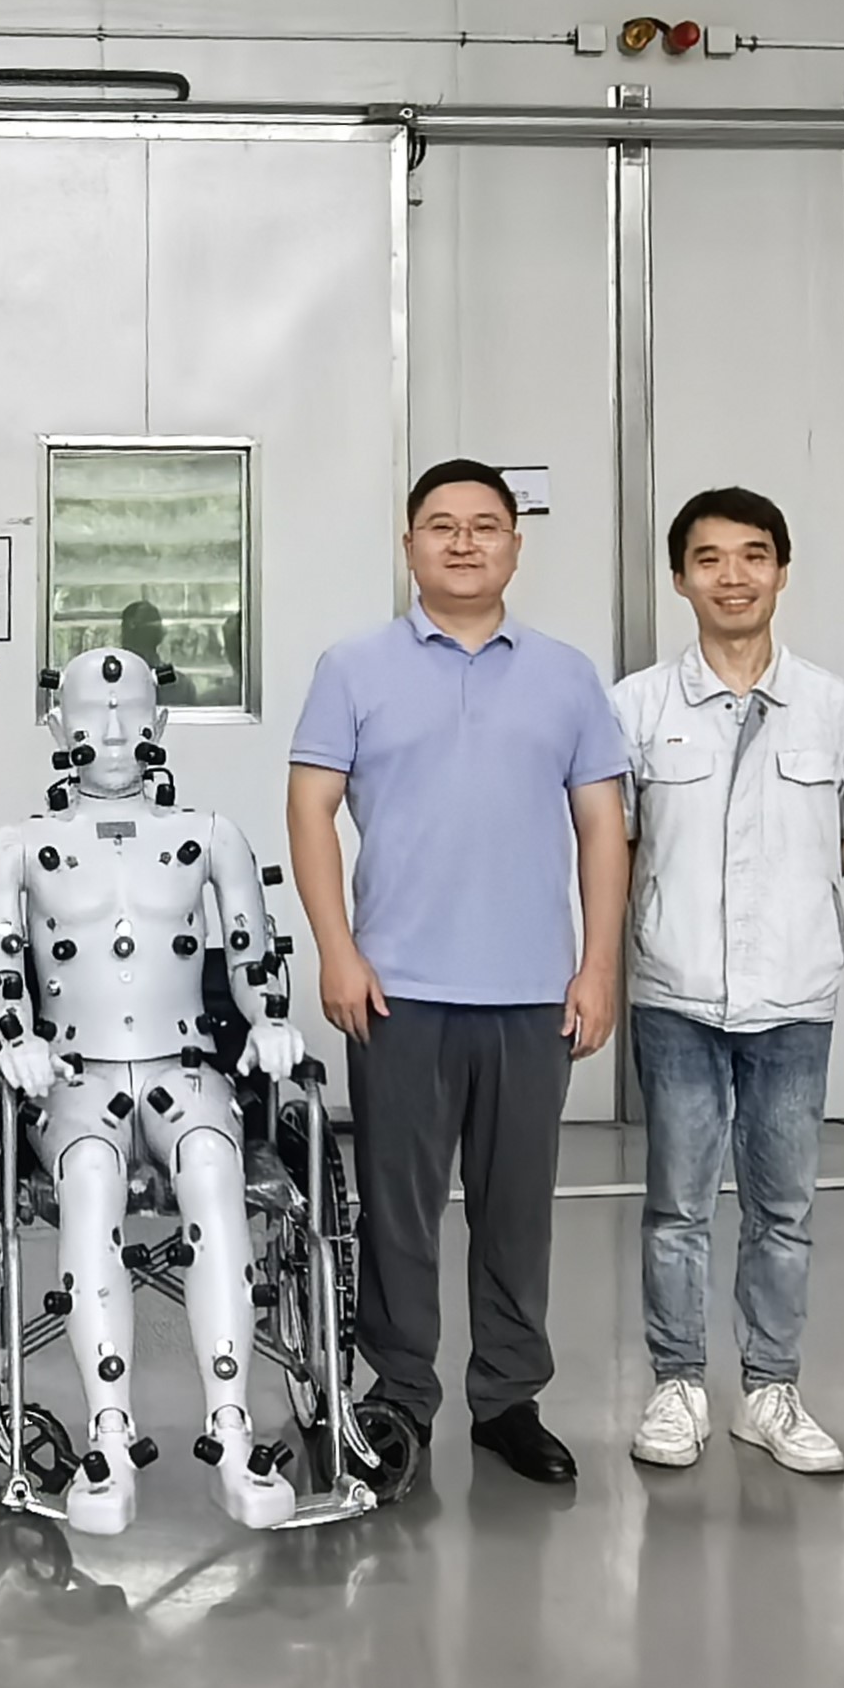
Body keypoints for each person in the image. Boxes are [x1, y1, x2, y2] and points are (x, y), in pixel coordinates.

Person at [288, 457, 629, 1486]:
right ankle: (398, 1396)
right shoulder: (353, 667)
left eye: (486, 525)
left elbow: (602, 826)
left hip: (532, 994)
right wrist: (337, 948)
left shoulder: (567, 675)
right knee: (397, 1211)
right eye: (442, 525)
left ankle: (508, 1398)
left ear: (516, 545)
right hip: (397, 991)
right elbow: (311, 808)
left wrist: (597, 965)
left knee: (516, 1211)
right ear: (410, 546)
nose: (465, 541)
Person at [0, 646, 313, 1531]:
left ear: (159, 723)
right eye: (92, 714)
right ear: (59, 727)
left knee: (212, 1171)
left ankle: (232, 1429)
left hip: (183, 1067)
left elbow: (253, 956)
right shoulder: (19, 846)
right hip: (76, 1075)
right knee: (88, 1183)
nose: (115, 730)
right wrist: (16, 1039)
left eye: (131, 712)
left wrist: (269, 1018)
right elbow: (0, 969)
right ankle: (109, 1432)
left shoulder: (209, 836)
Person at [608, 488, 844, 1474]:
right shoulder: (636, 708)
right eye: (711, 559)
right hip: (675, 990)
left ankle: (771, 1389)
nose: (734, 576)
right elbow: (618, 842)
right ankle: (678, 1385)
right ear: (679, 578)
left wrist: (785, 910)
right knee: (676, 1207)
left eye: (754, 556)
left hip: (795, 998)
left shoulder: (834, 705)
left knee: (785, 1210)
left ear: (782, 570)